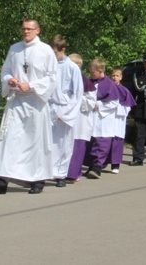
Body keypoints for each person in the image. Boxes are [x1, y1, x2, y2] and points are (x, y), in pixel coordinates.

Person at [0, 19, 57, 195]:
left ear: (37, 30)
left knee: (36, 141)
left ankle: (36, 180)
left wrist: (31, 85)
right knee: (7, 140)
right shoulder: (15, 48)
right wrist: (9, 80)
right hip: (16, 100)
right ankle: (1, 181)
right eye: (23, 29)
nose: (26, 32)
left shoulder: (46, 50)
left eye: (29, 29)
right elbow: (5, 70)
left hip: (35, 102)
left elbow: (52, 77)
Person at [48, 35, 83, 188]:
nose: (53, 56)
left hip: (64, 107)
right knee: (47, 142)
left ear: (63, 50)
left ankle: (61, 174)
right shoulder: (48, 66)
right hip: (48, 107)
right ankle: (46, 171)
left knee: (63, 143)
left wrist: (67, 113)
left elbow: (77, 93)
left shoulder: (72, 68)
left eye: (55, 53)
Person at [85, 59, 120, 179]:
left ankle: (97, 167)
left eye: (92, 72)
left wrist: (98, 105)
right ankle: (90, 165)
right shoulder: (90, 82)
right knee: (90, 142)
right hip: (91, 117)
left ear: (100, 71)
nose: (90, 74)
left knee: (101, 143)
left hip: (103, 118)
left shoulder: (109, 84)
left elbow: (114, 103)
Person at [66, 54, 97, 182]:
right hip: (66, 119)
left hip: (80, 120)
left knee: (77, 147)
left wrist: (77, 97)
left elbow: (91, 102)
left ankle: (73, 173)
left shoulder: (86, 82)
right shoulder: (65, 78)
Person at [109, 66, 136, 172]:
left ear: (121, 77)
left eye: (117, 76)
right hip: (107, 118)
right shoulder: (106, 88)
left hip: (118, 119)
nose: (115, 78)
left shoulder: (124, 90)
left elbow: (128, 106)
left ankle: (115, 165)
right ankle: (102, 162)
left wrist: (117, 107)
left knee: (117, 141)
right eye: (113, 75)